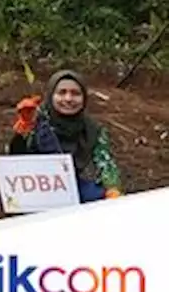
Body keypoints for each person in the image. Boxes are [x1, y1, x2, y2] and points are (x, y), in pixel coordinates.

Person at [8, 70, 123, 202]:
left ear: (84, 98)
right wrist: (25, 126)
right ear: (51, 95)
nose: (68, 99)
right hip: (34, 186)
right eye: (62, 93)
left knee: (98, 197)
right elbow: (15, 160)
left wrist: (113, 189)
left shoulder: (92, 129)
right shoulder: (35, 118)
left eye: (75, 94)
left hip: (71, 184)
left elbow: (106, 163)